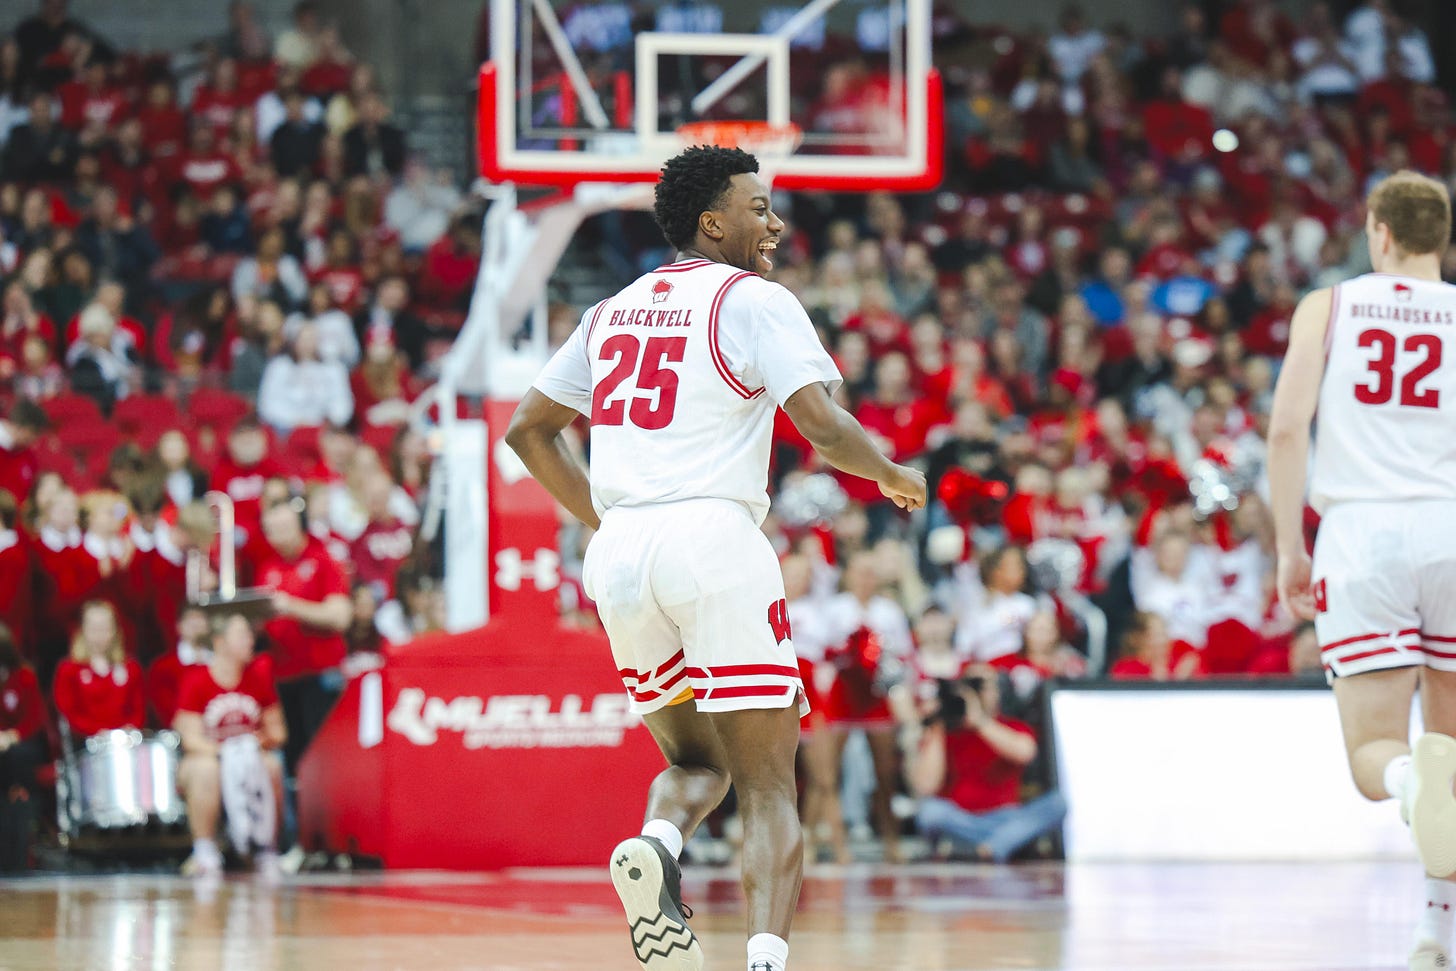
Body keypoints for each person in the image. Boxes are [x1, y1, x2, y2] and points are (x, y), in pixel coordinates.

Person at [506, 145, 926, 971]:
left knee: (698, 761)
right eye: (758, 207)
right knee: (770, 783)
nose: (775, 223)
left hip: (620, 553)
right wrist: (889, 472)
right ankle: (765, 960)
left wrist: (609, 520)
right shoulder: (755, 301)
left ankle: (657, 844)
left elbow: (528, 431)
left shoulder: (611, 309)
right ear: (712, 222)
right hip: (713, 539)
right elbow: (821, 424)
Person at [1268, 170, 1456, 971]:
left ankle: (1408, 781)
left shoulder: (1331, 306)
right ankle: (1437, 932)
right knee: (1452, 752)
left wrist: (1290, 546)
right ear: (1442, 238)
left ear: (1379, 232)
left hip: (1360, 532)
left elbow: (1287, 429)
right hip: (1450, 525)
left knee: (1381, 754)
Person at [909, 667, 1066, 862]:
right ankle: (995, 848)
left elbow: (1025, 753)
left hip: (1005, 819)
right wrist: (938, 724)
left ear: (998, 691)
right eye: (971, 685)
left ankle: (986, 849)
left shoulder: (1012, 726)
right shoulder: (946, 732)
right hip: (960, 820)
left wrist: (980, 722)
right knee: (930, 811)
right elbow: (925, 786)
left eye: (982, 686)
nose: (977, 693)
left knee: (1057, 803)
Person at [174, 612, 286, 878]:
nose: (250, 640)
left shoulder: (257, 677)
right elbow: (189, 737)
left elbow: (278, 732)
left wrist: (251, 745)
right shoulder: (197, 678)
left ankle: (265, 850)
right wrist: (227, 752)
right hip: (211, 757)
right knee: (205, 769)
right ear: (220, 642)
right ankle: (204, 850)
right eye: (242, 635)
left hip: (250, 757)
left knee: (271, 765)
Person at [51, 600, 143, 739]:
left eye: (105, 628)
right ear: (82, 630)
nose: (99, 635)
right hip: (86, 743)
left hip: (124, 741)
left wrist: (126, 730)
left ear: (115, 630)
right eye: (94, 629)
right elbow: (69, 712)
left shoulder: (131, 668)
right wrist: (98, 733)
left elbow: (138, 710)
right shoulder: (68, 670)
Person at [0, 624, 45, 871]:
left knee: (18, 756)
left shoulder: (24, 677)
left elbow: (35, 719)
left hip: (21, 746)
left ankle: (17, 791)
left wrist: (12, 735)